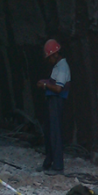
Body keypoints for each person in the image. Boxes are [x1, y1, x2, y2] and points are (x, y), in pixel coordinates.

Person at [37, 39, 70, 175]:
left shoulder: (62, 67)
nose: (49, 61)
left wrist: (45, 85)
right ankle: (49, 162)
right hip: (52, 101)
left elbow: (58, 88)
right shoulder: (57, 66)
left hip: (57, 101)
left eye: (49, 57)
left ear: (55, 54)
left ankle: (58, 167)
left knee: (55, 133)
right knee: (49, 132)